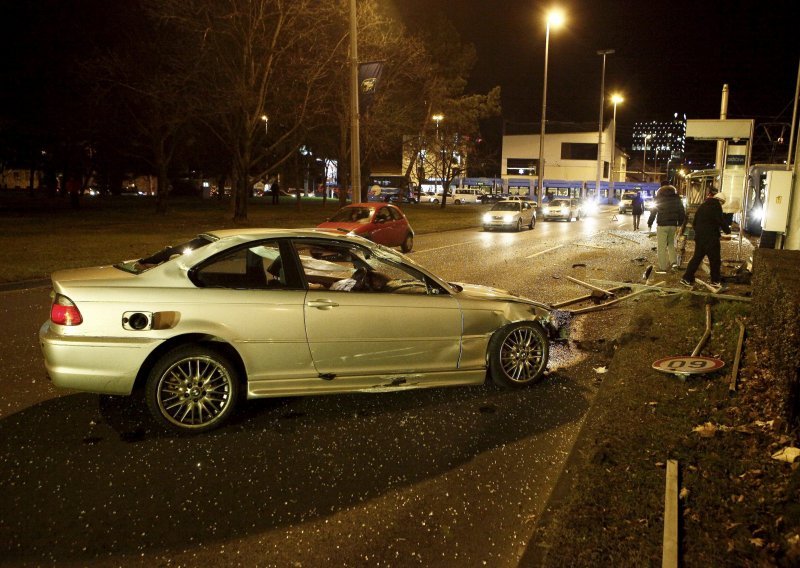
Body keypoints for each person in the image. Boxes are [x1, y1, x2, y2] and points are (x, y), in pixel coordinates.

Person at [680, 188, 731, 293]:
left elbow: (695, 222)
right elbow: (720, 220)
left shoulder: (703, 205)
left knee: (697, 258)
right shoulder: (716, 206)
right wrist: (727, 230)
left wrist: (700, 232)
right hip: (711, 238)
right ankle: (715, 281)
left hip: (700, 237)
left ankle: (686, 278)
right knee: (715, 259)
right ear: (720, 201)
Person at [647, 184, 685, 274]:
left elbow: (653, 212)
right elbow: (682, 212)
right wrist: (679, 224)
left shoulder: (659, 199)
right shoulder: (677, 199)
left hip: (662, 225)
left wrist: (650, 222)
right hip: (673, 225)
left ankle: (663, 268)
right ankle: (674, 263)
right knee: (671, 244)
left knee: (661, 247)